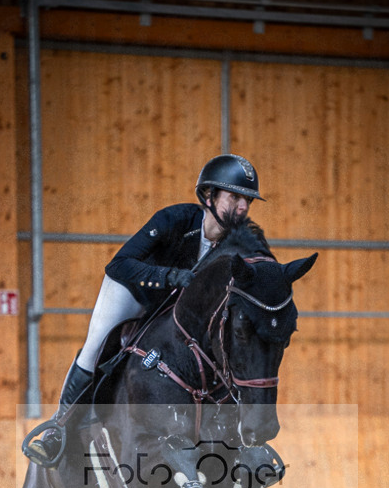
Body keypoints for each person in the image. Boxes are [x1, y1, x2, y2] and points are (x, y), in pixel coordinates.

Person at [23, 154, 264, 466]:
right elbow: (119, 264)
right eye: (235, 197)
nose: (243, 207)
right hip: (131, 290)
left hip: (170, 309)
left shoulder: (234, 245)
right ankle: (56, 432)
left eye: (248, 200)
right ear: (209, 196)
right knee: (95, 347)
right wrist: (168, 276)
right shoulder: (175, 220)